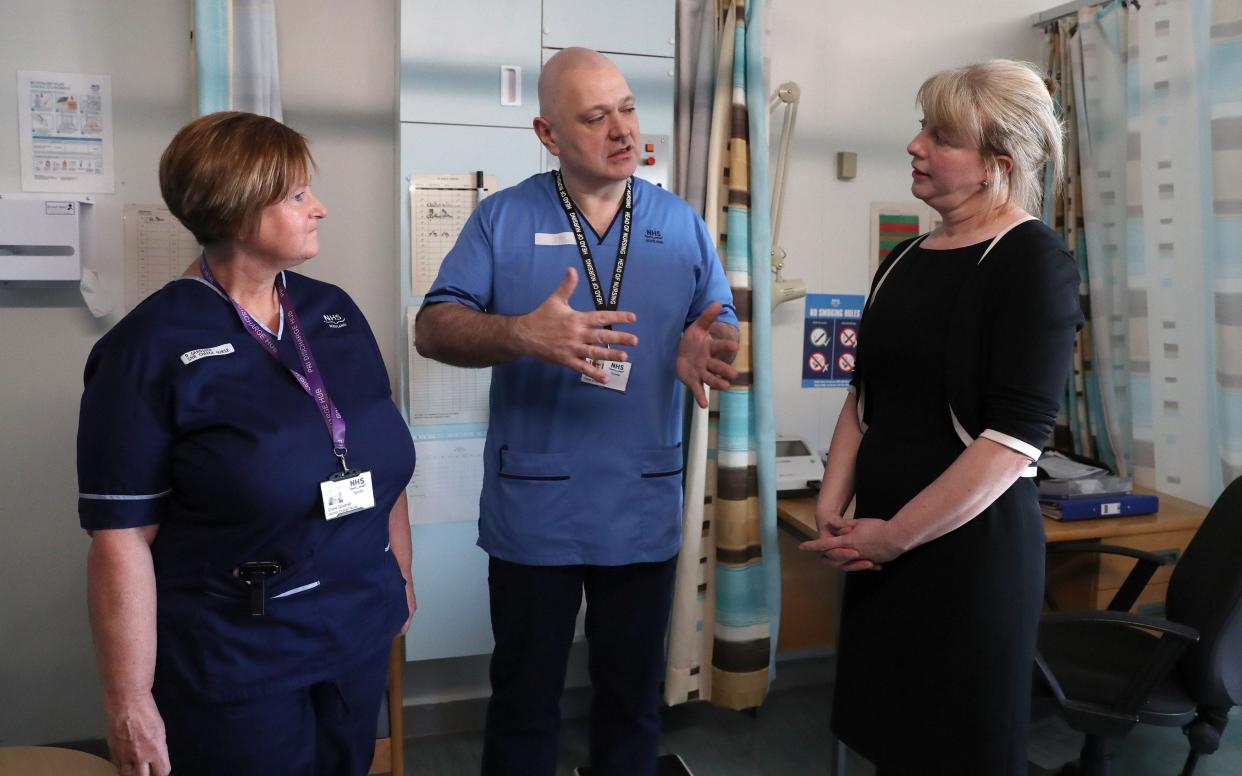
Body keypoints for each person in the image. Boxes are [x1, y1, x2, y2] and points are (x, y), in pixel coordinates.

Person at [414, 47, 739, 776]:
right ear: (549, 133)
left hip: (640, 502)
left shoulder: (679, 224)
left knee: (631, 700)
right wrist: (519, 332)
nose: (623, 129)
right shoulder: (502, 220)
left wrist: (708, 346)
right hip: (537, 509)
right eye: (595, 117)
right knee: (525, 700)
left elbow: (719, 325)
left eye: (627, 108)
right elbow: (432, 328)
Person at [77, 112, 416, 776]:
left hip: (355, 627)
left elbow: (383, 463)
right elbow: (120, 539)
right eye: (295, 195)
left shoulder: (334, 313)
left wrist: (399, 578)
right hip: (239, 655)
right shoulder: (145, 351)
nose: (318, 208)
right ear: (234, 212)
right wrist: (129, 701)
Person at [798, 60, 1083, 774]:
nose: (915, 145)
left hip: (965, 556)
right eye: (923, 127)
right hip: (879, 545)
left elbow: (1013, 442)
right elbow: (864, 398)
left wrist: (894, 536)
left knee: (957, 753)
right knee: (891, 746)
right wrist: (833, 506)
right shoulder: (905, 258)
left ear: (998, 165)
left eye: (941, 136)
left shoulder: (1032, 262)